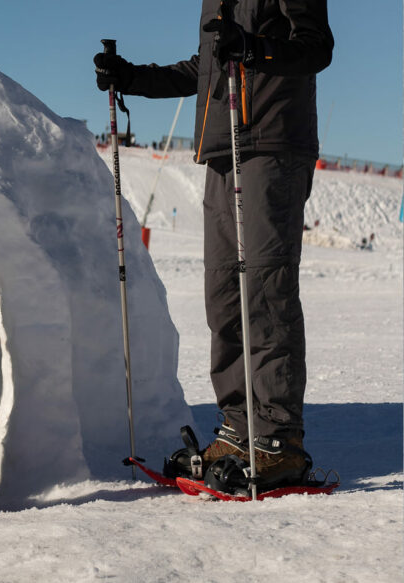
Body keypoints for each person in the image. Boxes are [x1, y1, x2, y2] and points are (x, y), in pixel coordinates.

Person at [94, 0, 334, 491]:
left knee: (264, 292)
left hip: (271, 144)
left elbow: (315, 48)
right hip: (224, 148)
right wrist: (134, 77)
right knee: (224, 294)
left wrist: (254, 48)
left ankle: (278, 440)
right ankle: (239, 430)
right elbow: (205, 68)